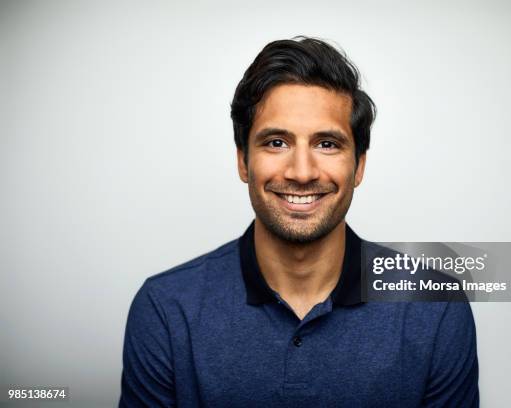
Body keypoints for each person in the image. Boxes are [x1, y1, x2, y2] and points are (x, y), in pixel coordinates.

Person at [119, 37, 479, 407]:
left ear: (360, 166)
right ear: (243, 161)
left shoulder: (436, 308)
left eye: (327, 144)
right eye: (276, 142)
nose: (302, 172)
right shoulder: (166, 307)